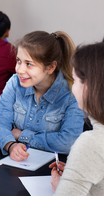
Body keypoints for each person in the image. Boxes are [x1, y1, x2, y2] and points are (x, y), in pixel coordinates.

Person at [0, 31, 84, 161]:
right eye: (18, 61)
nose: (20, 70)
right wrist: (10, 145)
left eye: (29, 64)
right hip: (16, 163)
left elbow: (69, 142)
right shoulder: (14, 82)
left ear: (50, 67)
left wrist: (23, 135)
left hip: (53, 168)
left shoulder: (71, 93)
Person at [50, 42, 104, 195]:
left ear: (88, 86)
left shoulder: (91, 143)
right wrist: (74, 177)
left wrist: (61, 189)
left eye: (74, 80)